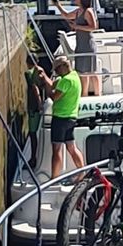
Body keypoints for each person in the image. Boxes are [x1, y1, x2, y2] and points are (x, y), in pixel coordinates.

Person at [48, 47, 84, 178]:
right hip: (71, 118)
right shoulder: (75, 77)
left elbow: (54, 97)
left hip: (60, 119)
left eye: (57, 69)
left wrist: (48, 89)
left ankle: (54, 178)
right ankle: (81, 174)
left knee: (57, 150)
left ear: (64, 66)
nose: (56, 72)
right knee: (72, 148)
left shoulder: (65, 80)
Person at [68, 0, 102, 97]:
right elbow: (67, 15)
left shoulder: (88, 11)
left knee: (92, 71)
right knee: (83, 73)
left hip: (88, 44)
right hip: (80, 44)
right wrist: (57, 5)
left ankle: (98, 94)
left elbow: (93, 27)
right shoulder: (78, 11)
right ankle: (84, 94)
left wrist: (77, 26)